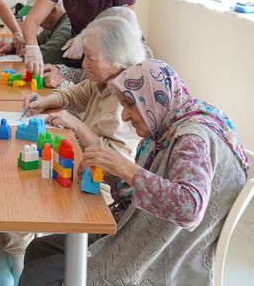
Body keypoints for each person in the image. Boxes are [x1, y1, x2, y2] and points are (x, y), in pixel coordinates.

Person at [20, 59, 250, 285]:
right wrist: (110, 169)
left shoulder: (191, 138)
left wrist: (123, 166)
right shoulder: (171, 122)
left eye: (131, 105)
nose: (125, 116)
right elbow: (147, 186)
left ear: (153, 98)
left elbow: (190, 207)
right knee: (38, 248)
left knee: (38, 275)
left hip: (160, 253)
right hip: (129, 224)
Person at [0, 16, 145, 286]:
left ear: (116, 59)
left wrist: (74, 122)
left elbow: (115, 161)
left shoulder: (125, 99)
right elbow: (73, 93)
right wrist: (44, 101)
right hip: (80, 166)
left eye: (91, 58)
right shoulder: (105, 80)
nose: (84, 64)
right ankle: (5, 265)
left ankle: (9, 268)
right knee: (11, 178)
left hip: (101, 191)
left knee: (18, 192)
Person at [42, 6, 153, 89]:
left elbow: (90, 112)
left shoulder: (127, 83)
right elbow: (84, 76)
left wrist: (63, 83)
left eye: (91, 58)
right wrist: (61, 71)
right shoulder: (107, 66)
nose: (84, 64)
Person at [0, 0, 73, 66]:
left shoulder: (67, 28)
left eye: (37, 16)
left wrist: (28, 52)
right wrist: (13, 46)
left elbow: (49, 57)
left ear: (54, 11)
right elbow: (36, 41)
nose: (34, 22)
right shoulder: (52, 27)